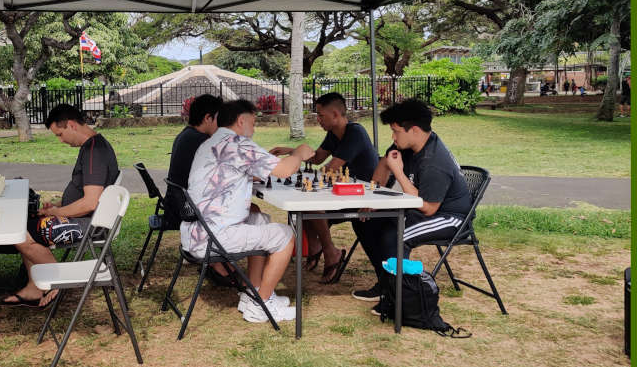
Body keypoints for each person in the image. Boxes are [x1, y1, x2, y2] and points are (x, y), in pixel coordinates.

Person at [182, 99, 315, 323]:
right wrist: (298, 153)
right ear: (241, 120)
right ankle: (261, 304)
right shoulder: (237, 143)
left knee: (260, 219)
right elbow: (283, 170)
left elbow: (237, 172)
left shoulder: (212, 142)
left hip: (196, 232)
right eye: (253, 124)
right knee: (286, 236)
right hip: (213, 237)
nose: (254, 130)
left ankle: (253, 292)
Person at [350, 99, 471, 312]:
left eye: (396, 132)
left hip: (448, 217)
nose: (393, 137)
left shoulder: (435, 161)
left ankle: (397, 298)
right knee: (366, 222)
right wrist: (374, 198)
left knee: (396, 236)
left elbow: (428, 207)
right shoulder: (407, 145)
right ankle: (385, 284)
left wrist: (397, 171)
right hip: (421, 207)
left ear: (414, 130)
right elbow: (383, 165)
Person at [2, 103, 119, 308]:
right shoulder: (91, 147)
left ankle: (57, 282)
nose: (61, 140)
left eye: (60, 134)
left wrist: (58, 211)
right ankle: (33, 287)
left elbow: (91, 202)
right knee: (23, 224)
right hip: (83, 217)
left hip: (88, 223)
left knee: (20, 234)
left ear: (72, 125)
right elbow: (85, 193)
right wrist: (58, 205)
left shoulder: (95, 152)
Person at [270, 92, 379, 284]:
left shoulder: (355, 132)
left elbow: (330, 168)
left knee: (311, 203)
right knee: (305, 204)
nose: (317, 119)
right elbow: (318, 157)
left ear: (335, 114)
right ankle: (315, 248)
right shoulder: (333, 133)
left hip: (363, 196)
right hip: (343, 191)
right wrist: (291, 151)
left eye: (321, 115)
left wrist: (296, 166)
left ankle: (331, 252)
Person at [162, 94, 232, 285]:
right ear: (208, 118)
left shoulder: (187, 135)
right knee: (246, 210)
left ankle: (219, 262)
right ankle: (219, 265)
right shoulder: (200, 141)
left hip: (177, 205)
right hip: (186, 211)